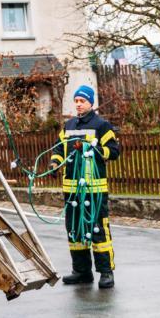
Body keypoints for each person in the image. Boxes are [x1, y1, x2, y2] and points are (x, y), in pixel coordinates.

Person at [50, 85, 121, 289]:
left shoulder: (102, 125)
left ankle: (106, 272)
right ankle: (81, 271)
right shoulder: (69, 125)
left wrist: (96, 149)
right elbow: (58, 149)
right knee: (75, 230)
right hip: (72, 189)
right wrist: (55, 163)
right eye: (76, 101)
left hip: (94, 189)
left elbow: (114, 151)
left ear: (91, 102)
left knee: (98, 230)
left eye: (82, 101)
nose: (79, 104)